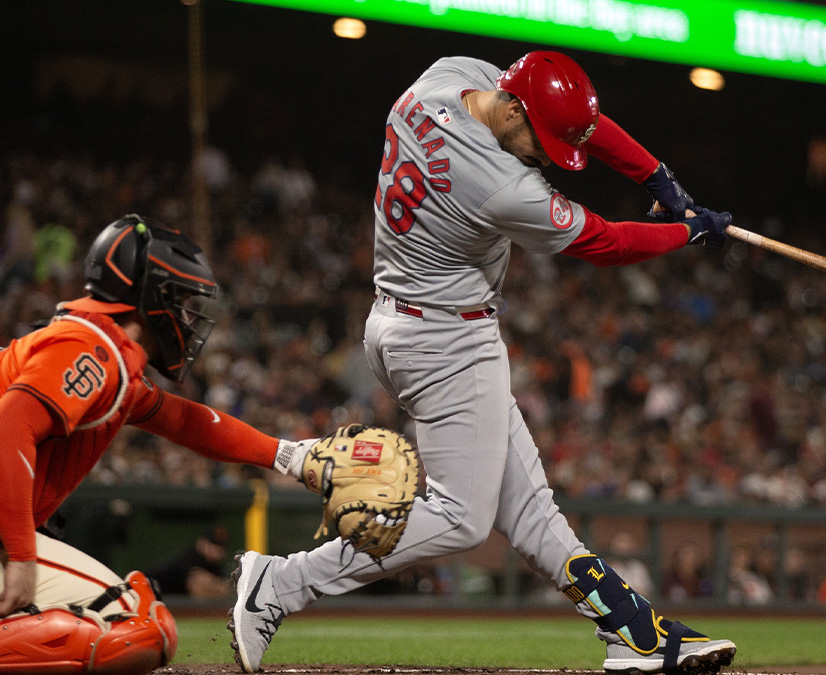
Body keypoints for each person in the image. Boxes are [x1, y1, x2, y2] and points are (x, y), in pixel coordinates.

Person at [228, 51, 736, 674]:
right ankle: (282, 583)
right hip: (445, 339)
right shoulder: (502, 183)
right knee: (461, 520)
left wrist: (655, 174)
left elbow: (575, 121)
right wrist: (687, 233)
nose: (550, 155)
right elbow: (603, 242)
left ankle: (631, 632)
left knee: (528, 510)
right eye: (542, 141)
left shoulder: (447, 77)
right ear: (514, 107)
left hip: (402, 319)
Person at [0, 214, 309, 675]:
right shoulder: (93, 349)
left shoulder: (104, 351)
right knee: (136, 626)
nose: (187, 317)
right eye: (180, 300)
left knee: (138, 621)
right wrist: (24, 557)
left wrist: (292, 456)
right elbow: (10, 426)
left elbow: (187, 421)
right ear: (150, 298)